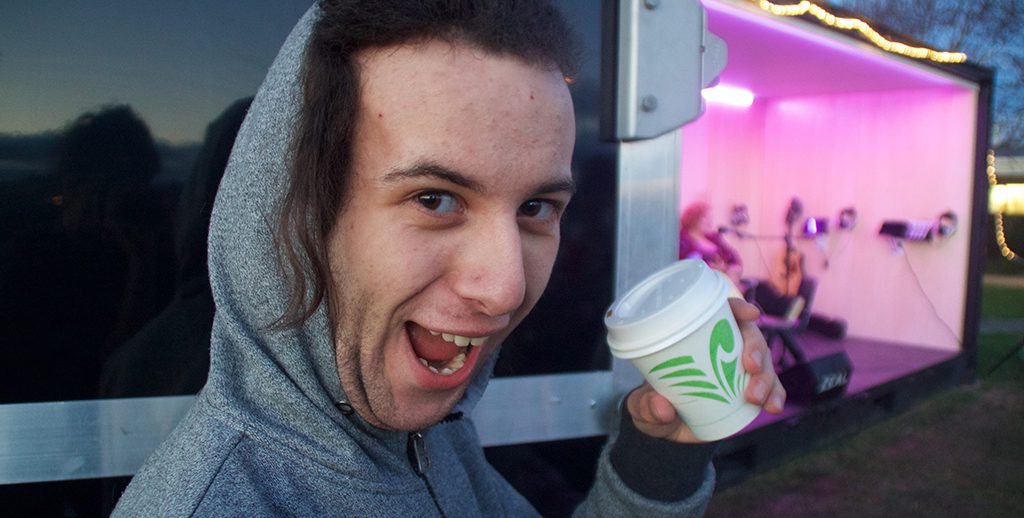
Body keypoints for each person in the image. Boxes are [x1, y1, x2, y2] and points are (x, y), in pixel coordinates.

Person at [113, 2, 785, 516]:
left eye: (535, 208)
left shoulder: (433, 440)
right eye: (434, 199)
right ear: (293, 212)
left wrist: (657, 458)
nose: (505, 289)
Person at [679, 201, 743, 286]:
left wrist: (731, 269)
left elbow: (734, 259)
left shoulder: (714, 238)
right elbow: (683, 266)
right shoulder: (682, 239)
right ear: (693, 218)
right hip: (696, 284)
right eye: (705, 217)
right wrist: (711, 269)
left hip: (721, 281)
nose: (709, 221)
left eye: (710, 217)